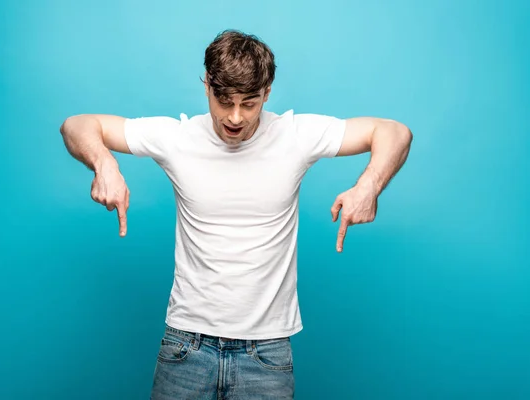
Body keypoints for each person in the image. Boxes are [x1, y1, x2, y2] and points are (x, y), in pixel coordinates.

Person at [59, 30, 412, 400]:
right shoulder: (177, 137)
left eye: (249, 102)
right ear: (207, 85)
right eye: (224, 100)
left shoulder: (295, 135)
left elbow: (394, 132)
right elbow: (77, 125)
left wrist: (369, 185)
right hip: (186, 346)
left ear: (268, 92)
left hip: (266, 352)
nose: (235, 117)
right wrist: (105, 164)